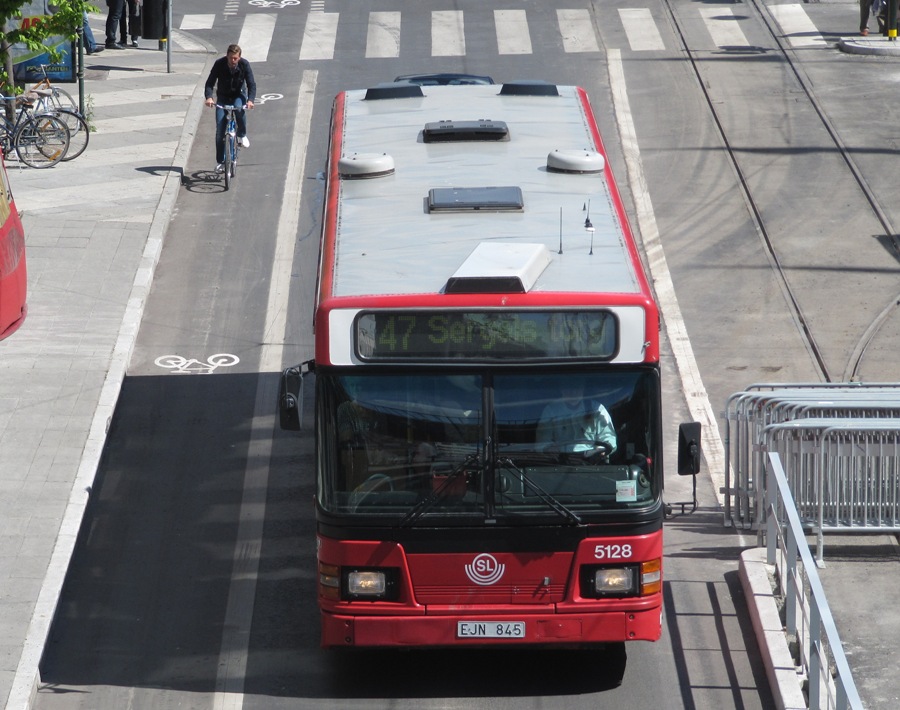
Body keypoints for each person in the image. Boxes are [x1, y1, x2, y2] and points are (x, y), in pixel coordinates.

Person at [204, 44, 257, 173]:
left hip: (238, 95)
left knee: (239, 109)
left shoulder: (244, 65)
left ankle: (242, 135)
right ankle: (220, 162)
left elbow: (251, 84)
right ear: (227, 56)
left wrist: (250, 100)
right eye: (231, 58)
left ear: (239, 57)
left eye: (235, 58)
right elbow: (210, 82)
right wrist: (209, 97)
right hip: (223, 96)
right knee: (220, 131)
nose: (233, 61)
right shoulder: (219, 64)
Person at [536, 382, 617, 459]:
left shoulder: (597, 409)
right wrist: (549, 450)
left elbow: (609, 438)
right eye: (569, 388)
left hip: (592, 464)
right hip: (560, 462)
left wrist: (599, 450)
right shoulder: (551, 410)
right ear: (562, 389)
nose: (573, 392)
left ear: (583, 388)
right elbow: (542, 442)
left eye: (577, 388)